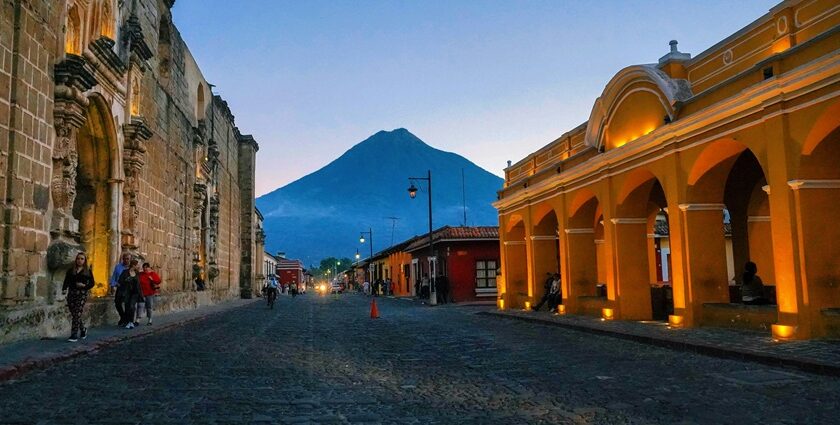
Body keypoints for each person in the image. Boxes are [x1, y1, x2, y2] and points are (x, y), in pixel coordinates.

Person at [62, 252, 95, 342]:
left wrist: (84, 286)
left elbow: (92, 283)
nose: (80, 261)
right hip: (72, 293)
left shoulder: (87, 271)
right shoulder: (71, 270)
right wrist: (64, 289)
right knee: (75, 314)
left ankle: (74, 334)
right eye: (78, 259)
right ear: (76, 260)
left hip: (82, 294)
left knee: (77, 313)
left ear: (85, 261)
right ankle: (83, 329)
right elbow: (66, 280)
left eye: (82, 259)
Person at [117, 259, 142, 328]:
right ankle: (127, 321)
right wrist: (126, 280)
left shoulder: (137, 273)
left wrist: (140, 294)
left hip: (134, 293)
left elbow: (139, 284)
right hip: (127, 292)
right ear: (133, 265)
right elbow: (120, 281)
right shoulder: (125, 272)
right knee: (127, 307)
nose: (138, 266)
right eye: (137, 265)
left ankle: (131, 321)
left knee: (132, 306)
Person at [110, 253, 131, 324]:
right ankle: (123, 317)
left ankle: (126, 320)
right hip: (120, 287)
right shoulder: (118, 267)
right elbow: (114, 276)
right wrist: (112, 285)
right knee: (117, 303)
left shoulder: (132, 268)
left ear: (130, 259)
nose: (126, 260)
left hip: (128, 288)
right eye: (124, 258)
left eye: (127, 259)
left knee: (127, 304)